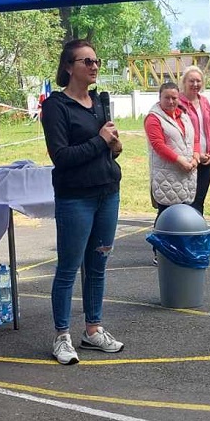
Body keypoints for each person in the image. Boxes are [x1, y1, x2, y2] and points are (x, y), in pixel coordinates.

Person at [40, 39, 126, 364]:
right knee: (68, 268)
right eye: (86, 61)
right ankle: (62, 335)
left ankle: (93, 329)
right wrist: (99, 140)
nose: (94, 67)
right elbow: (61, 156)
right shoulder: (56, 107)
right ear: (69, 67)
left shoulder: (100, 102)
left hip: (108, 192)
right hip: (76, 197)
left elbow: (108, 145)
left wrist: (113, 147)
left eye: (96, 61)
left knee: (98, 266)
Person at [145, 81, 199, 214]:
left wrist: (196, 158)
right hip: (166, 177)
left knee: (185, 217)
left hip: (187, 176)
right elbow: (158, 145)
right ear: (160, 98)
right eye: (166, 98)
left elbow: (195, 139)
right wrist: (179, 160)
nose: (171, 101)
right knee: (166, 219)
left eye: (174, 98)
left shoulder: (184, 116)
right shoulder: (153, 118)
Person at [178, 67, 210, 215]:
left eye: (198, 81)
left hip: (206, 160)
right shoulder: (178, 103)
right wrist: (196, 154)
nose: (195, 84)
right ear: (184, 82)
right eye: (191, 81)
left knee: (199, 200)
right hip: (188, 159)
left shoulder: (205, 102)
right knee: (187, 200)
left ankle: (197, 233)